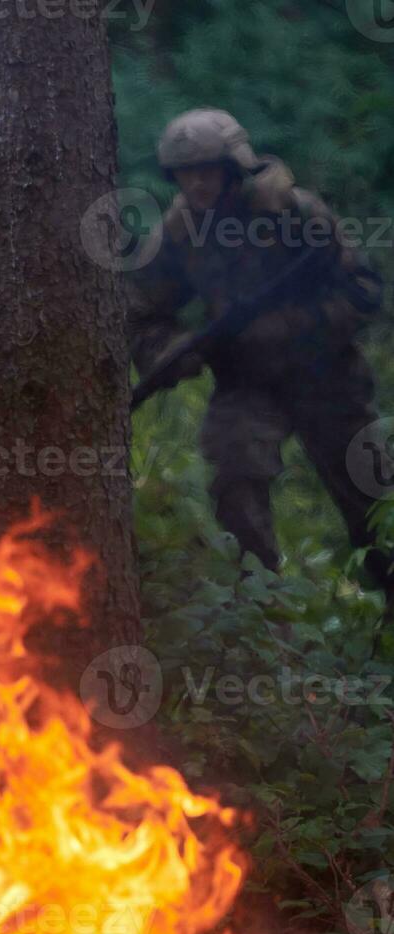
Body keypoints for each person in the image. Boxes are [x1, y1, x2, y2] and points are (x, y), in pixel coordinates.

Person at [127, 107, 389, 599]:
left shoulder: (294, 211)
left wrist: (288, 325)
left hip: (326, 375)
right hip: (246, 382)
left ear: (233, 167)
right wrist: (175, 351)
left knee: (372, 499)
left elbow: (363, 289)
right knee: (234, 475)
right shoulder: (179, 233)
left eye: (207, 169)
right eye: (186, 172)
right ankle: (264, 613)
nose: (197, 183)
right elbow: (142, 312)